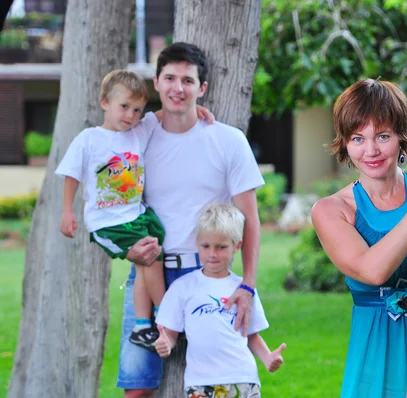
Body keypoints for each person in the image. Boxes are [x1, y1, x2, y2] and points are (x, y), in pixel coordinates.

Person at [117, 42, 264, 398]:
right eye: (169, 78)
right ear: (156, 82)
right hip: (149, 271)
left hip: (209, 275)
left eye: (187, 80)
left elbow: (250, 219)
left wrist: (246, 285)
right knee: (137, 386)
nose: (177, 88)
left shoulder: (228, 140)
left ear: (203, 89)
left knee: (216, 381)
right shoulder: (138, 136)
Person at [311, 79, 407, 397]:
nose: (371, 150)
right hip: (375, 350)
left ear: (400, 136)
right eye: (358, 138)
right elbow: (373, 271)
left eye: (383, 136)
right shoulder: (332, 210)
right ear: (344, 143)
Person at [55, 70, 168, 352]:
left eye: (138, 110)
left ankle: (143, 325)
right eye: (124, 107)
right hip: (108, 223)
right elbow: (71, 175)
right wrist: (67, 211)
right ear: (105, 102)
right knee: (151, 260)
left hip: (137, 215)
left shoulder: (138, 133)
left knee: (150, 260)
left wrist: (199, 109)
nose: (131, 115)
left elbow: (165, 113)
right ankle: (168, 318)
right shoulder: (89, 139)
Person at [155, 203, 286, 398]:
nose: (212, 254)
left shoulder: (244, 291)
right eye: (206, 246)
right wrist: (166, 342)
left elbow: (251, 335)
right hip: (200, 383)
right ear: (197, 243)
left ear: (237, 246)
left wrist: (267, 358)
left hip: (242, 379)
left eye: (221, 247)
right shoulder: (183, 288)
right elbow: (171, 334)